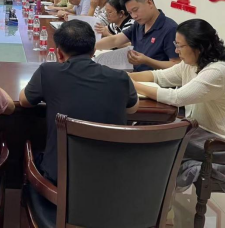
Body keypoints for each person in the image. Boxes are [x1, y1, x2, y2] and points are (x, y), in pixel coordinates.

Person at [19, 20, 139, 184]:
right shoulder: (121, 78)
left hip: (60, 180)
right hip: (111, 181)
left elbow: (24, 101)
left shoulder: (48, 72)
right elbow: (132, 109)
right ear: (94, 50)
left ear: (59, 53)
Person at [130, 19, 225, 146]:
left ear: (198, 47)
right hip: (203, 131)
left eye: (180, 46)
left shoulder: (216, 71)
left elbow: (176, 97)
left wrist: (132, 84)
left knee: (153, 139)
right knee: (147, 129)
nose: (176, 51)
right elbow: (159, 76)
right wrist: (125, 76)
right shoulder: (191, 63)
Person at [96, 0, 179, 72]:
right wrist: (92, 47)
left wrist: (147, 61)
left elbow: (176, 65)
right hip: (135, 75)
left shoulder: (170, 29)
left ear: (149, 3)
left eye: (135, 10)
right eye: (130, 13)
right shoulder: (139, 24)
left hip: (153, 79)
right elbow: (115, 40)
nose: (134, 16)